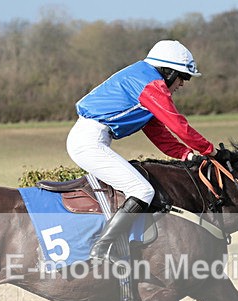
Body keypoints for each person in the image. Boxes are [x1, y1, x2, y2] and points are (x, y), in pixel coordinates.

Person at [66, 39, 220, 262]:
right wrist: (210, 151)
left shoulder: (143, 80)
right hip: (89, 142)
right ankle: (102, 248)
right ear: (168, 72)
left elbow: (157, 132)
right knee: (142, 190)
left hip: (90, 138)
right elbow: (178, 125)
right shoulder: (152, 85)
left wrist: (185, 154)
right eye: (183, 77)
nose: (182, 84)